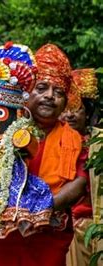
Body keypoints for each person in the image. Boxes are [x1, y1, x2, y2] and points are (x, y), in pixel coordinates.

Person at [0, 43, 87, 266]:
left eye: (58, 92)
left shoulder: (75, 139)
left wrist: (42, 208)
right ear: (25, 92)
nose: (50, 96)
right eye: (41, 88)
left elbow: (79, 183)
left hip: (46, 240)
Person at [61, 68, 98, 266]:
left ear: (88, 112)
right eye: (65, 108)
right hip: (63, 226)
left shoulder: (97, 143)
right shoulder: (53, 141)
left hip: (91, 225)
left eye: (76, 108)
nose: (69, 115)